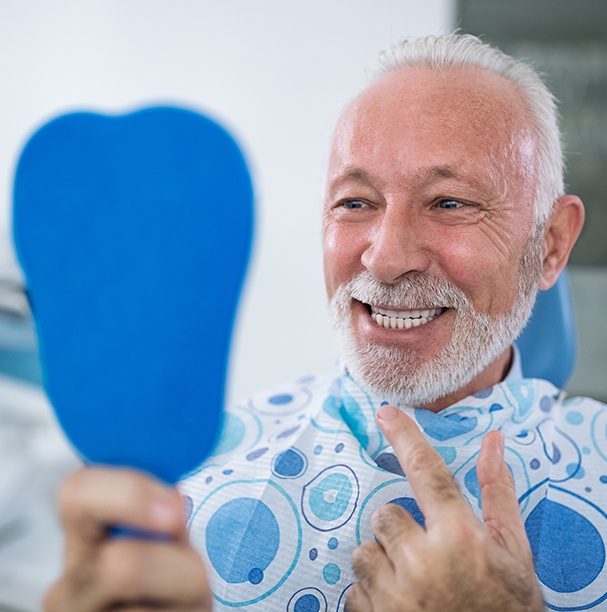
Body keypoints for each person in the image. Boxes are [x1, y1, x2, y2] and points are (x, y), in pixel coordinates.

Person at [45, 33, 602, 612]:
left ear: (551, 245)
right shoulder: (183, 492)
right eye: (356, 203)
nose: (385, 258)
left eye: (450, 203)